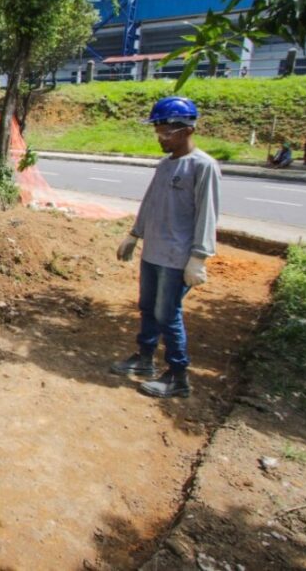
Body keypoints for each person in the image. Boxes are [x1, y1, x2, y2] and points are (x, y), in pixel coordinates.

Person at [111, 96, 221, 399]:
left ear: (185, 130)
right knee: (148, 307)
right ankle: (145, 360)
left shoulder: (203, 167)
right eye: (157, 131)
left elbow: (207, 215)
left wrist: (198, 258)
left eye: (164, 132)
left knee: (167, 314)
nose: (159, 137)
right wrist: (134, 235)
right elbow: (150, 203)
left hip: (178, 258)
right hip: (154, 253)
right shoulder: (164, 165)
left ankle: (178, 376)